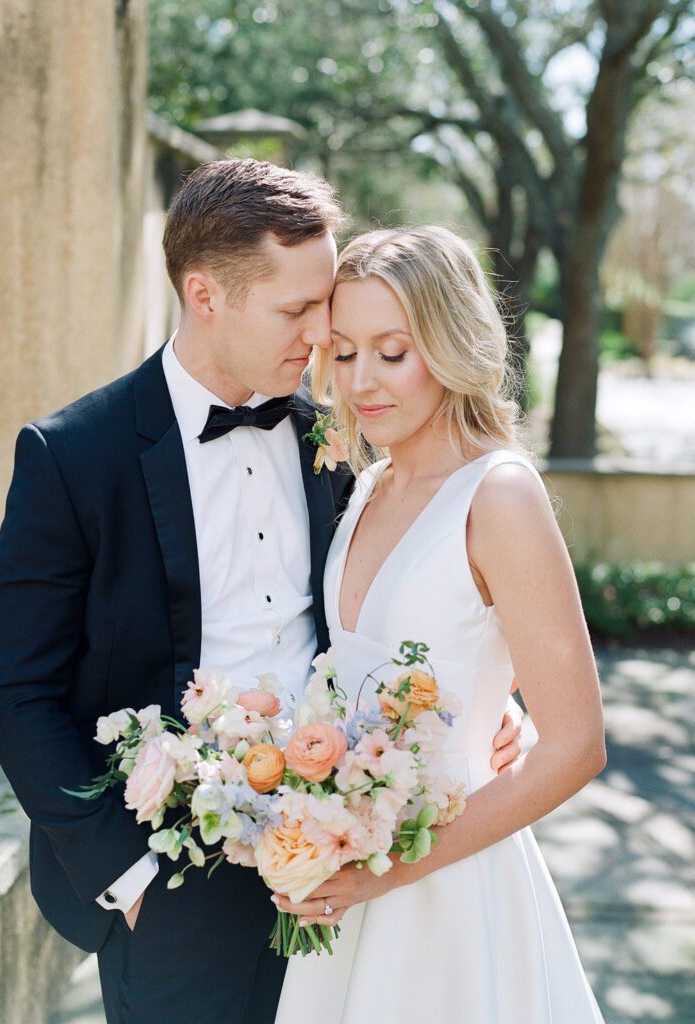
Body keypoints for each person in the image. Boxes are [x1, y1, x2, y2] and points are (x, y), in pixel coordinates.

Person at [0, 162, 523, 1024]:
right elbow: (15, 693)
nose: (323, 338)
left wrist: (488, 704)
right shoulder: (73, 455)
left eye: (327, 306)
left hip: (349, 866)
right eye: (297, 311)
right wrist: (132, 882)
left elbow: (411, 597)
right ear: (207, 296)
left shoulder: (339, 439)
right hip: (174, 887)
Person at [274, 225, 607, 1023]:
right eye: (344, 352)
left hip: (452, 895)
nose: (362, 380)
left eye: (393, 351)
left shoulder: (499, 495)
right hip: (348, 890)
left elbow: (576, 745)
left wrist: (387, 873)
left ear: (450, 343)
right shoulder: (365, 488)